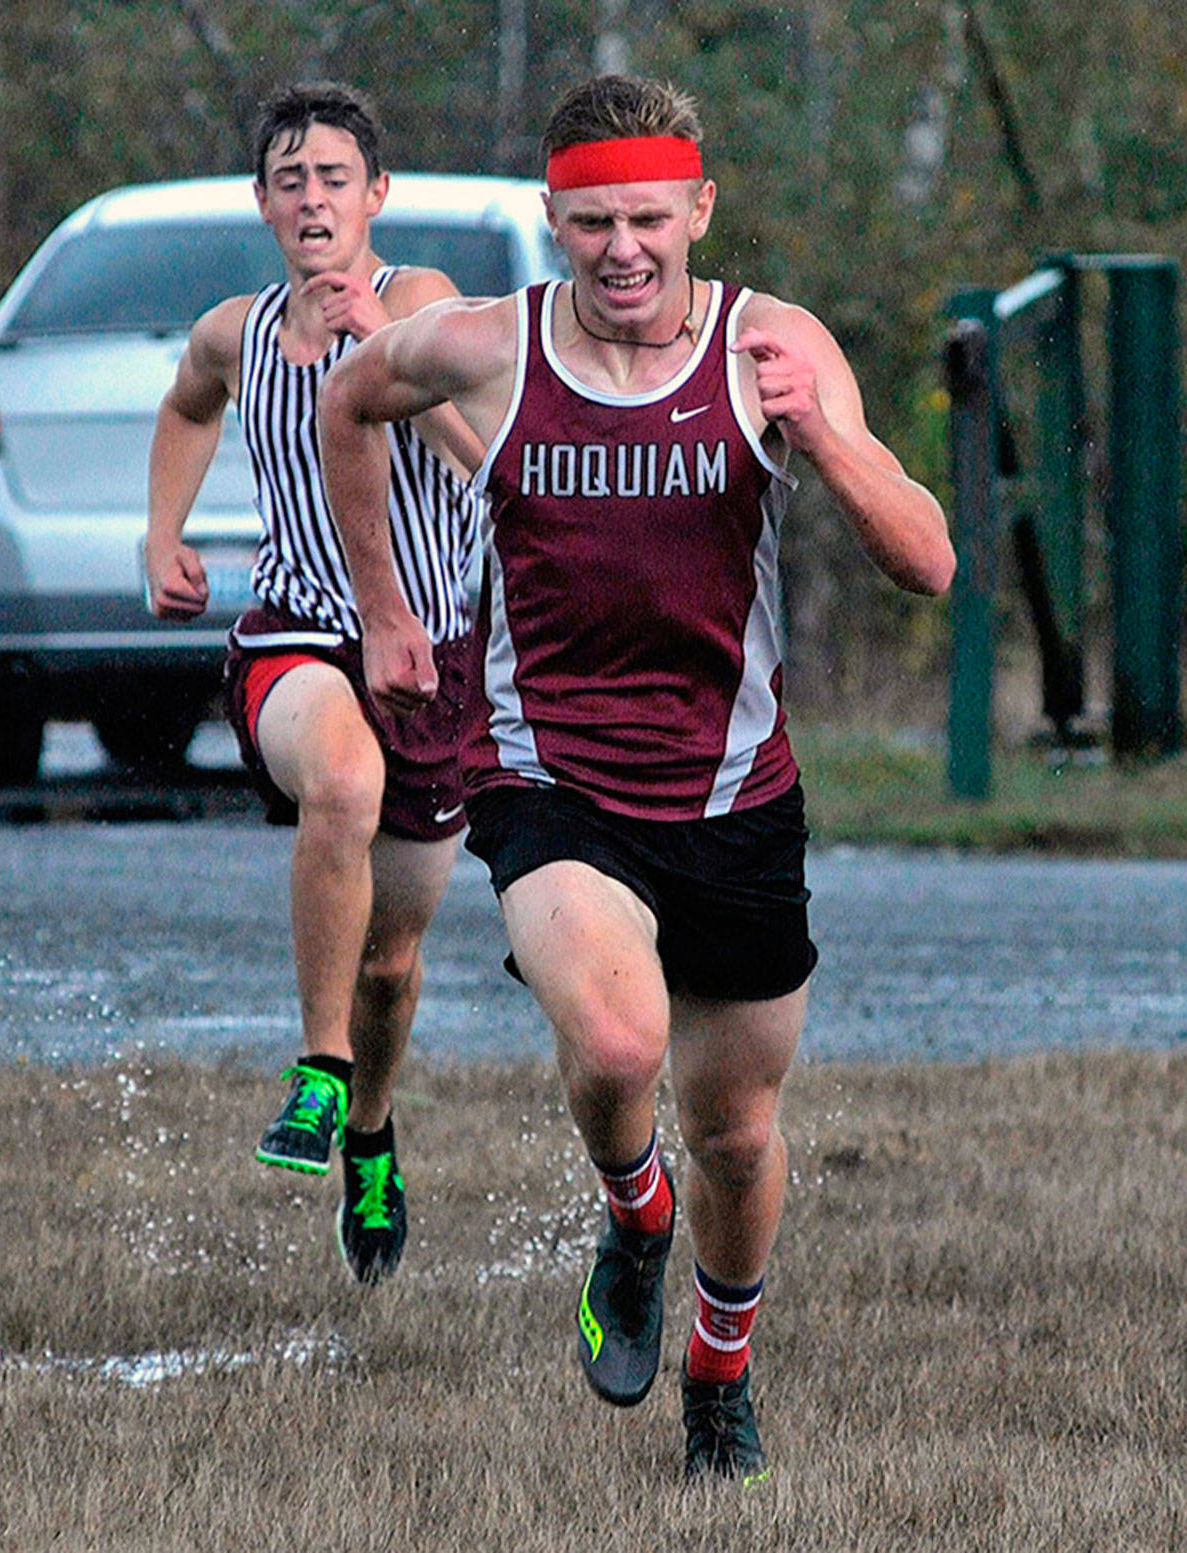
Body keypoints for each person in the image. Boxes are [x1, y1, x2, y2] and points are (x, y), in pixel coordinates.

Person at [316, 74, 954, 1478]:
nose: (622, 249)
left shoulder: (771, 345)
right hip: (549, 782)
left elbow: (928, 562)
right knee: (615, 1046)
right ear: (554, 222)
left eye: (649, 220)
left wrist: (823, 436)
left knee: (736, 1134)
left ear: (698, 210)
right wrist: (385, 609)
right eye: (594, 222)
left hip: (734, 800)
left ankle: (719, 1374)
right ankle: (632, 1210)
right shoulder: (486, 346)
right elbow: (347, 403)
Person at [145, 81, 482, 1283]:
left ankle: (371, 1135)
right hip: (294, 632)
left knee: (392, 961)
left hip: (429, 655)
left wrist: (384, 354)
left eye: (333, 177)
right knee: (339, 782)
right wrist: (160, 533)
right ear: (262, 202)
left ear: (375, 194)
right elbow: (187, 404)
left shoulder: (426, 305)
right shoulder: (235, 331)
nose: (312, 199)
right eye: (289, 180)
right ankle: (320, 1068)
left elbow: (482, 455)